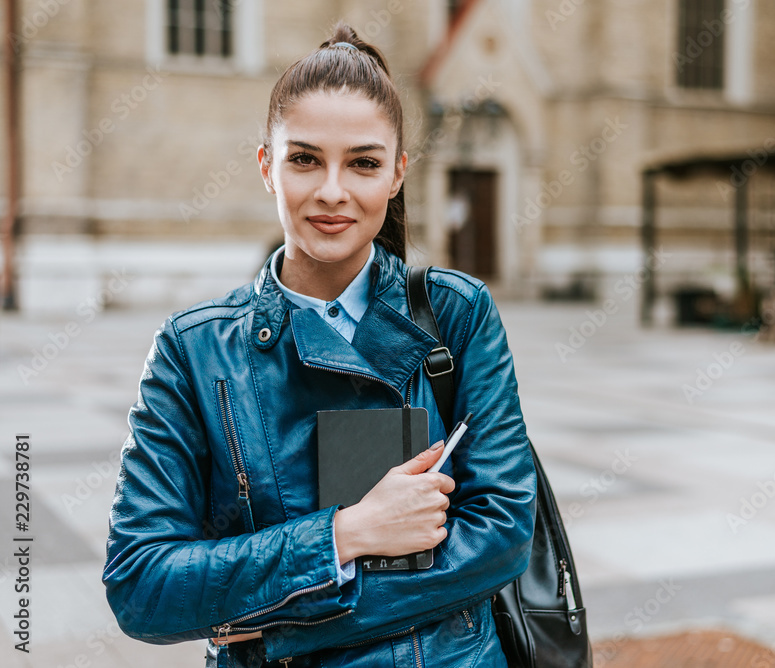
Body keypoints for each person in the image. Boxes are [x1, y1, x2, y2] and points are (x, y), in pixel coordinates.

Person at [102, 23, 535, 668]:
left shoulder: (457, 313)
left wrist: (277, 628)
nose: (333, 191)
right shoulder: (196, 350)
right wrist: (344, 534)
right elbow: (141, 583)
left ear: (396, 175)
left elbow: (501, 534)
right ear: (266, 167)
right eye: (305, 159)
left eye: (363, 162)